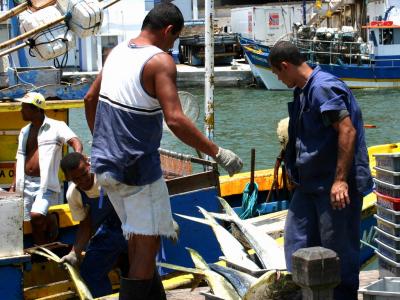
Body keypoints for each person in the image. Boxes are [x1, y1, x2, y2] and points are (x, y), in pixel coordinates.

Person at [84, 3, 243, 299]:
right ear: (169, 31)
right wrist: (218, 152)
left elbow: (90, 98)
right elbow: (176, 119)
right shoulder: (159, 61)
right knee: (146, 246)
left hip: (105, 168)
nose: (173, 46)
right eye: (175, 39)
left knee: (137, 238)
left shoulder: (116, 52)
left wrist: (102, 144)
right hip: (136, 171)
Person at [268, 41, 373, 300]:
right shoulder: (303, 91)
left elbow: (347, 131)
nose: (279, 79)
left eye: (278, 74)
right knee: (297, 244)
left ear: (285, 66)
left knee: (338, 256)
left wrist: (340, 181)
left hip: (332, 188)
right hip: (309, 187)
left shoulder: (323, 88)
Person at [10, 92, 83, 245]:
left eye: (24, 107)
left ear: (36, 109)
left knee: (36, 216)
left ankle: (51, 220)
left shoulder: (57, 126)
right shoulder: (24, 131)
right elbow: (19, 157)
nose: (21, 110)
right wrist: (13, 185)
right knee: (28, 222)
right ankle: (41, 250)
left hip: (45, 185)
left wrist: (77, 158)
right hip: (25, 184)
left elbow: (75, 141)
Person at [60, 152, 128, 298]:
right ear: (68, 179)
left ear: (88, 164)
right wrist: (74, 253)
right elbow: (85, 225)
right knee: (89, 273)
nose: (83, 180)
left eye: (85, 174)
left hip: (132, 225)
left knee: (138, 268)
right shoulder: (74, 194)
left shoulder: (107, 176)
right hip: (108, 232)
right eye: (76, 179)